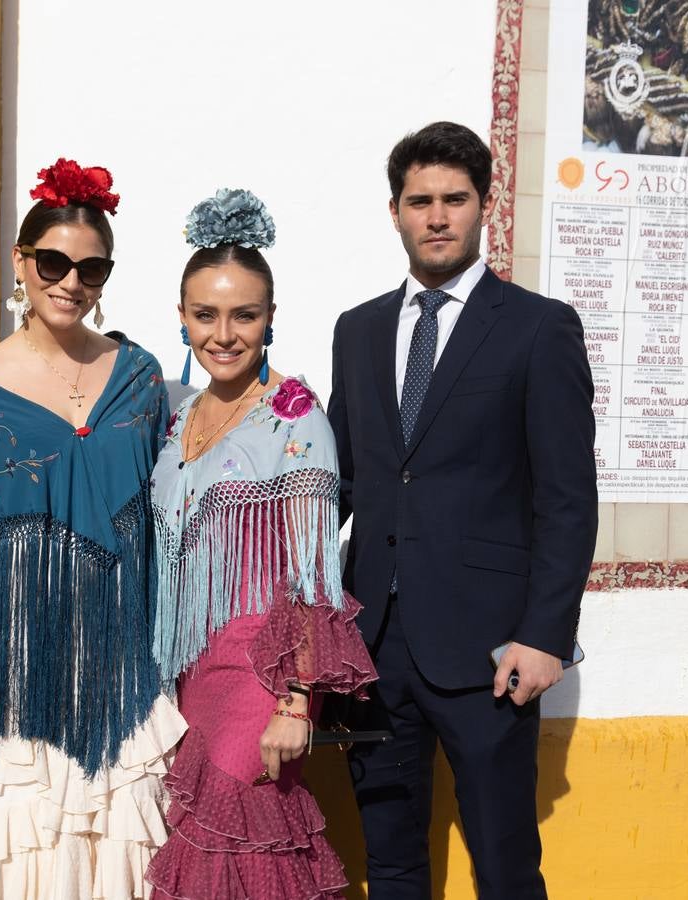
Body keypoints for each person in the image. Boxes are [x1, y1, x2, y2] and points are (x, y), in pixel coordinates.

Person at [326, 121, 597, 898]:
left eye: (455, 199)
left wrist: (545, 638)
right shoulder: (358, 330)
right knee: (391, 863)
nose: (438, 217)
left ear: (484, 206)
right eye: (421, 202)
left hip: (490, 654)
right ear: (395, 212)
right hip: (373, 648)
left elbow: (568, 500)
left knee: (504, 867)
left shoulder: (538, 327)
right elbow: (342, 484)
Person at [0, 158, 185, 899]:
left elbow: (167, 511)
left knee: (123, 847)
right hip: (23, 666)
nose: (71, 282)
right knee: (25, 849)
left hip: (125, 662)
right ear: (21, 263)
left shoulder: (139, 375)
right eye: (54, 263)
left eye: (91, 269)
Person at [145, 189, 377, 900]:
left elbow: (313, 575)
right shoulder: (177, 416)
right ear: (181, 316)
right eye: (205, 315)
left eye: (243, 315)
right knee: (199, 852)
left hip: (260, 676)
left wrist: (296, 700)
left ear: (270, 317)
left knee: (242, 849)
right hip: (187, 675)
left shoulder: (296, 415)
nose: (223, 334)